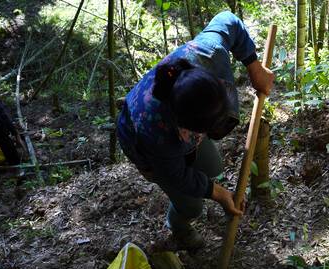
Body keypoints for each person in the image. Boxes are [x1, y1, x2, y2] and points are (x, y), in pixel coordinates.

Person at [117, 11, 274, 250]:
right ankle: (178, 226)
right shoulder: (157, 135)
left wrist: (254, 67)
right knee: (192, 207)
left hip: (178, 123)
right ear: (187, 128)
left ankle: (199, 183)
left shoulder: (208, 54)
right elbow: (177, 175)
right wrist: (220, 195)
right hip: (139, 141)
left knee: (214, 167)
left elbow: (228, 20)